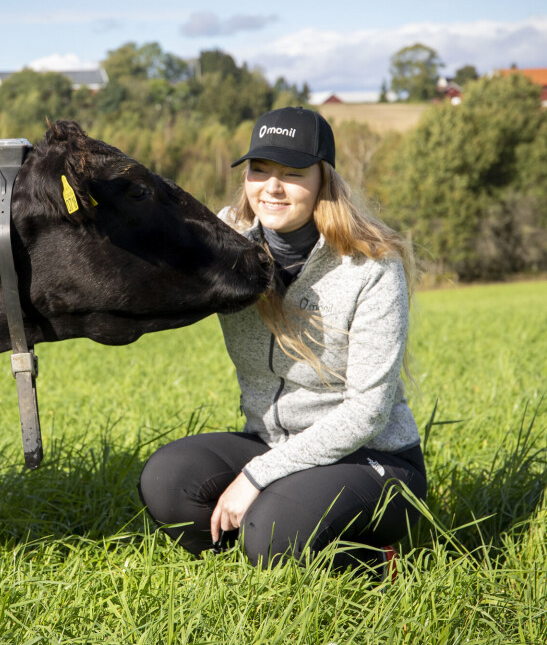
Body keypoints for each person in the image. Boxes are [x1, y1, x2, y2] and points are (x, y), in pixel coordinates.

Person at [138, 107, 426, 573]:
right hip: (273, 442)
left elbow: (368, 412)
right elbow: (156, 261)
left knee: (272, 533)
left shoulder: (371, 264)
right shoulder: (227, 242)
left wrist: (256, 476)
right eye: (260, 169)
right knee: (168, 481)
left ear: (323, 180)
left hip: (373, 462)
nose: (272, 186)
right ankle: (262, 553)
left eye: (292, 173)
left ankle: (381, 562)